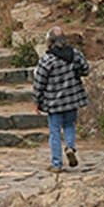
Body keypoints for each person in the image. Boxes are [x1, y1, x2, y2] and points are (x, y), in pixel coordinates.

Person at [32, 26, 89, 171]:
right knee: (69, 126)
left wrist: (37, 101)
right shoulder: (74, 54)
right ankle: (70, 147)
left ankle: (56, 163)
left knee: (55, 132)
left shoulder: (47, 60)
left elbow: (39, 82)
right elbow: (86, 69)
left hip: (54, 102)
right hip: (72, 99)